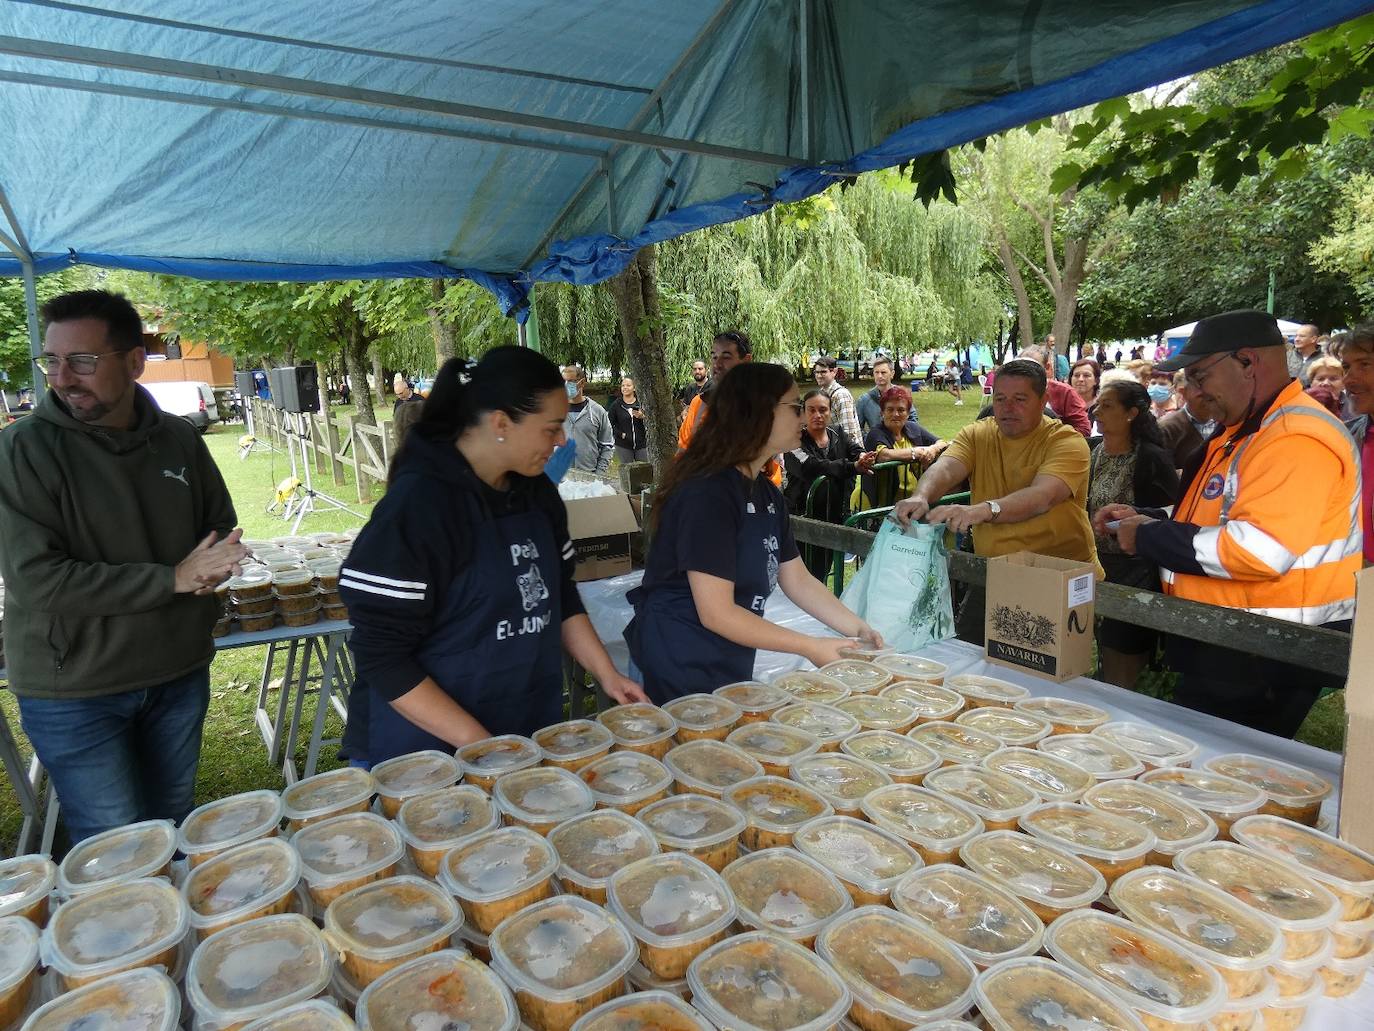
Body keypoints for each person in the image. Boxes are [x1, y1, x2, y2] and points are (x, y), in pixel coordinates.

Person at [0, 289, 246, 842]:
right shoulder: (22, 451)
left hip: (177, 670)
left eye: (83, 361)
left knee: (172, 821)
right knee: (113, 840)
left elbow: (218, 528)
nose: (62, 378)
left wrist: (215, 564)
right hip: (76, 685)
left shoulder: (179, 438)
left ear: (135, 361)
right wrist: (175, 578)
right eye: (52, 360)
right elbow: (37, 579)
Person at [340, 349, 647, 766]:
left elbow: (558, 597)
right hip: (422, 753)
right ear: (501, 423)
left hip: (519, 726)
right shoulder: (418, 509)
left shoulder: (536, 493)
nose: (562, 442)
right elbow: (383, 658)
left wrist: (608, 675)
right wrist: (483, 746)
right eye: (552, 428)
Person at [1096, 310, 1360, 738]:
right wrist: (1150, 518)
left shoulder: (1295, 437)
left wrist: (1147, 534)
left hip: (1267, 650)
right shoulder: (1248, 430)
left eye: (1200, 375)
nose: (1194, 391)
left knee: (1213, 774)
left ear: (1248, 362)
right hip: (1238, 640)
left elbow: (1259, 549)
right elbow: (1216, 517)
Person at [626, 363, 883, 701]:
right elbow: (716, 612)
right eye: (794, 408)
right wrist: (809, 646)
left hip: (726, 665)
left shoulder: (765, 493)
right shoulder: (706, 494)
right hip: (676, 666)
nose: (803, 419)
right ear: (758, 412)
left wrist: (857, 628)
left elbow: (798, 580)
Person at [894, 358, 1101, 642]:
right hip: (995, 572)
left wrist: (983, 510)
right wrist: (921, 496)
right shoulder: (978, 433)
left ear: (1043, 401)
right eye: (1000, 398)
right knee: (969, 657)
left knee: (1045, 673)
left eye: (1020, 399)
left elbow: (1042, 496)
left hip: (1058, 575)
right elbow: (946, 467)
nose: (1007, 407)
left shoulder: (1067, 442)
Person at [1087, 379, 1180, 689]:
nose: (1096, 410)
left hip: (1135, 574)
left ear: (1131, 414)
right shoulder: (1094, 451)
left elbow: (1172, 516)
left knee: (1123, 660)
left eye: (1107, 405)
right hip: (1097, 569)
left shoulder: (1150, 458)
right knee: (1101, 654)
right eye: (1098, 404)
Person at [784, 391, 875, 578]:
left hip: (833, 518)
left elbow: (856, 450)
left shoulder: (838, 433)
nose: (817, 415)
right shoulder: (792, 441)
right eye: (811, 410)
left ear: (831, 411)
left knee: (822, 573)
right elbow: (812, 467)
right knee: (800, 577)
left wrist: (862, 458)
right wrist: (853, 467)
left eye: (823, 409)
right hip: (802, 520)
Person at [858, 385, 947, 509]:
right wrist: (915, 453)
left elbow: (943, 442)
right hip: (878, 506)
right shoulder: (875, 433)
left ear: (908, 413)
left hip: (909, 504)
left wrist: (932, 449)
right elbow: (884, 455)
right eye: (890, 409)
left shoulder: (912, 427)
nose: (896, 414)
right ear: (882, 412)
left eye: (901, 410)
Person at [1336, 325, 1374, 563]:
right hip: (1357, 586)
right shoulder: (1344, 437)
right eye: (1347, 367)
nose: (1349, 379)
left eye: (1365, 364)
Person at [1018, 346, 1091, 436]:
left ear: (1046, 367)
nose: (1026, 373)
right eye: (1021, 368)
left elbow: (1084, 429)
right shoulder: (1009, 392)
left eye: (1033, 368)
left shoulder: (1065, 392)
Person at [1157, 370, 1219, 472]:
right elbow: (1159, 474)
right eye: (1202, 396)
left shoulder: (1225, 423)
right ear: (1183, 393)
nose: (1209, 400)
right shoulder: (1167, 428)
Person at [560, 364, 613, 474]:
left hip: (589, 477)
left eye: (570, 381)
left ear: (582, 383)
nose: (566, 385)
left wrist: (599, 474)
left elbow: (607, 445)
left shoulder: (597, 411)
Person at [856, 356, 920, 436]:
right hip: (877, 445)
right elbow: (857, 428)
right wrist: (870, 440)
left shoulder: (902, 395)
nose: (879, 376)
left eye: (883, 372)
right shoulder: (864, 400)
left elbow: (913, 421)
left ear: (892, 374)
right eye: (877, 372)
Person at [812, 356, 863, 442]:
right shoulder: (822, 393)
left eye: (823, 372)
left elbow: (849, 433)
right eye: (816, 372)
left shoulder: (841, 395)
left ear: (834, 372)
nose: (819, 376)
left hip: (848, 452)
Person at [608, 376, 648, 465]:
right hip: (623, 445)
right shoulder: (616, 405)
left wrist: (643, 417)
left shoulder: (641, 404)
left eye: (628, 385)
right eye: (623, 385)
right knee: (627, 471)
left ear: (634, 388)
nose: (625, 388)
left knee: (644, 471)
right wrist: (620, 434)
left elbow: (652, 423)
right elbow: (608, 424)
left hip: (642, 444)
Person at [1305, 354, 1356, 420]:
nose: (1326, 383)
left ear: (1344, 383)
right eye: (1320, 379)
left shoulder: (1355, 408)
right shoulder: (1301, 406)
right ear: (1311, 383)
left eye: (1333, 379)